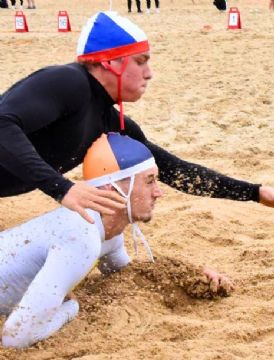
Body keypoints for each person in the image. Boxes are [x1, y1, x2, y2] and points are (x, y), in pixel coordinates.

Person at [0, 11, 274, 228]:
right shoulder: (68, 81)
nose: (149, 73)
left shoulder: (110, 121)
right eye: (140, 61)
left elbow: (176, 172)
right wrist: (63, 188)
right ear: (109, 63)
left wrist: (255, 192)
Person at [1, 133, 235, 349]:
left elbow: (131, 274)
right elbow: (16, 337)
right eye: (150, 181)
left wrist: (194, 275)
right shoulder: (82, 235)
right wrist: (72, 308)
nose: (158, 192)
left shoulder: (105, 233)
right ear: (113, 188)